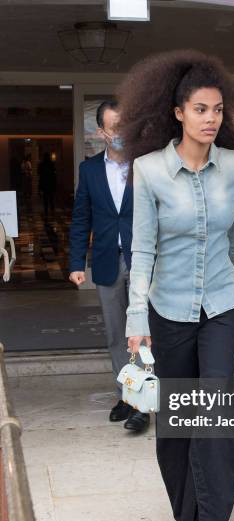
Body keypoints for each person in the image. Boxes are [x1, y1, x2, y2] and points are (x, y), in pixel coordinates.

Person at [119, 49, 234, 521]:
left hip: (221, 306)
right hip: (167, 310)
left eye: (217, 110)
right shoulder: (149, 171)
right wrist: (135, 320)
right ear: (178, 112)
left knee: (216, 411)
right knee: (176, 424)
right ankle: (187, 518)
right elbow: (143, 249)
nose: (211, 119)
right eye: (200, 109)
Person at [69, 100, 149, 434]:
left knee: (141, 335)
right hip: (105, 261)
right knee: (117, 335)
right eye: (114, 127)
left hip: (143, 260)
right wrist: (76, 262)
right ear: (101, 131)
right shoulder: (88, 171)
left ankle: (142, 404)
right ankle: (127, 396)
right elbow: (80, 218)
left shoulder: (146, 166)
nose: (121, 133)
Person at [38, 152, 56, 220]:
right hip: (50, 183)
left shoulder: (41, 164)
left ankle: (46, 211)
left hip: (44, 183)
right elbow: (54, 175)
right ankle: (52, 211)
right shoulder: (52, 164)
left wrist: (40, 187)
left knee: (45, 198)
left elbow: (39, 173)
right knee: (51, 198)